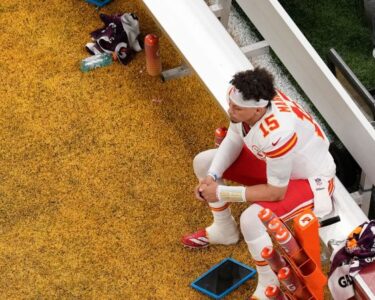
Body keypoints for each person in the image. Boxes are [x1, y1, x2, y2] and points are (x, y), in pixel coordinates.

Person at [182, 67, 336, 299]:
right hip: (280, 167)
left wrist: (222, 192)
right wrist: (213, 176)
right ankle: (224, 229)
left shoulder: (278, 132)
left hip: (310, 180)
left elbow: (275, 192)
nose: (230, 109)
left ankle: (267, 283)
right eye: (231, 103)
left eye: (237, 108)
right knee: (204, 163)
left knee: (251, 220)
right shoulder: (252, 102)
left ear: (258, 108)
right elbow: (234, 137)